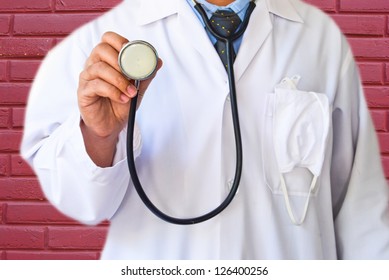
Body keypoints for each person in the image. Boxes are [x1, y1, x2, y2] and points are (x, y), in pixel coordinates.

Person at [21, 0, 389, 259]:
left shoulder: (320, 39)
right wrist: (100, 136)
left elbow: (362, 212)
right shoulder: (102, 41)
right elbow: (79, 201)